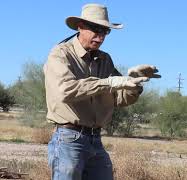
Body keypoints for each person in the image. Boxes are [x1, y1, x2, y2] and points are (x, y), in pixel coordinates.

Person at [44, 3, 160, 180]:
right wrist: (110, 82)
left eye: (105, 31)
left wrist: (134, 84)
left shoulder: (104, 59)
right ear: (80, 27)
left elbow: (119, 99)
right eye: (96, 29)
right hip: (69, 139)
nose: (101, 37)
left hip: (95, 140)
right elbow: (65, 91)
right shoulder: (60, 54)